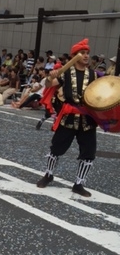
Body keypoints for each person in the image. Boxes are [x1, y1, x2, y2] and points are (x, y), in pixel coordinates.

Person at [36, 38, 97, 197]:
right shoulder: (66, 72)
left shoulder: (93, 75)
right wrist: (50, 77)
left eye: (87, 53)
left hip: (88, 120)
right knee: (56, 148)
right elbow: (49, 85)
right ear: (75, 56)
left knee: (88, 153)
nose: (85, 56)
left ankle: (79, 183)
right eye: (82, 53)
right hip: (68, 117)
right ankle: (48, 175)